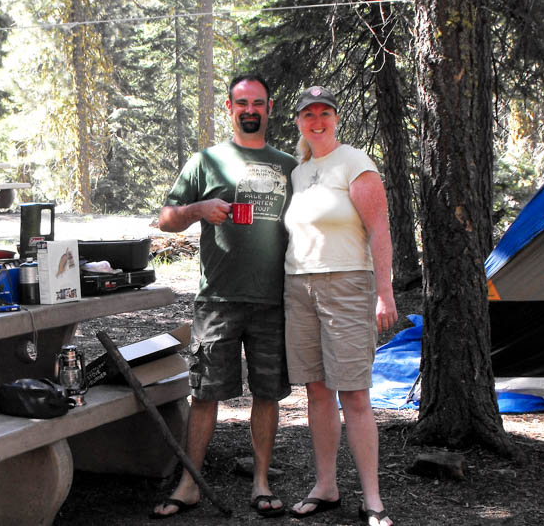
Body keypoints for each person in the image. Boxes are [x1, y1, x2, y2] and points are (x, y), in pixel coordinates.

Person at [152, 73, 297, 519]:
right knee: (205, 394)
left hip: (274, 300)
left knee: (268, 394)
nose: (250, 109)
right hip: (217, 300)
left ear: (269, 108)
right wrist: (197, 210)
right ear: (229, 109)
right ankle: (190, 484)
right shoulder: (206, 161)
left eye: (258, 102)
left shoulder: (291, 166)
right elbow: (165, 219)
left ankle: (261, 481)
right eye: (241, 103)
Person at [283, 86, 398, 526]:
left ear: (335, 117)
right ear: (298, 121)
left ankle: (373, 499)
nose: (317, 120)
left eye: (324, 113)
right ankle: (326, 485)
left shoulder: (355, 162)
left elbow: (380, 230)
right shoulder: (300, 171)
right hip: (299, 287)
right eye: (308, 113)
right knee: (316, 390)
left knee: (353, 392)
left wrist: (383, 293)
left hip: (348, 285)